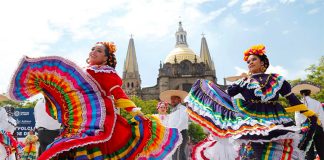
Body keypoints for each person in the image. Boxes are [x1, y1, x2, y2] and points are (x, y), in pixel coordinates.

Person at [8, 41, 182, 159]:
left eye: (99, 50)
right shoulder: (81, 72)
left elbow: (119, 95)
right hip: (77, 124)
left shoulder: (107, 73)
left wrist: (136, 112)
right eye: (93, 49)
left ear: (106, 58)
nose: (93, 52)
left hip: (101, 124)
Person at [184, 44, 320, 159]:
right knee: (256, 149)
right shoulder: (243, 82)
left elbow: (292, 100)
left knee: (276, 150)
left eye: (253, 59)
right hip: (251, 120)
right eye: (248, 61)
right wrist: (207, 89)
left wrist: (309, 114)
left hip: (276, 120)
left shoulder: (277, 80)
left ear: (263, 62)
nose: (250, 63)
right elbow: (225, 97)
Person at [293, 84, 324, 160]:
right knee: (322, 150)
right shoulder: (317, 103)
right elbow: (322, 117)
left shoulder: (298, 104)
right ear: (310, 93)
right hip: (317, 127)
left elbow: (297, 119)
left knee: (308, 152)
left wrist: (298, 130)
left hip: (305, 129)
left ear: (301, 93)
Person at [160, 90, 189, 160]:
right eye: (171, 99)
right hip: (174, 134)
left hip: (180, 133)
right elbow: (170, 123)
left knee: (178, 155)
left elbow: (182, 121)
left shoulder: (183, 108)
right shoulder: (172, 111)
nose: (172, 100)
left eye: (174, 98)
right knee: (177, 155)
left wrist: (174, 132)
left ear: (179, 99)